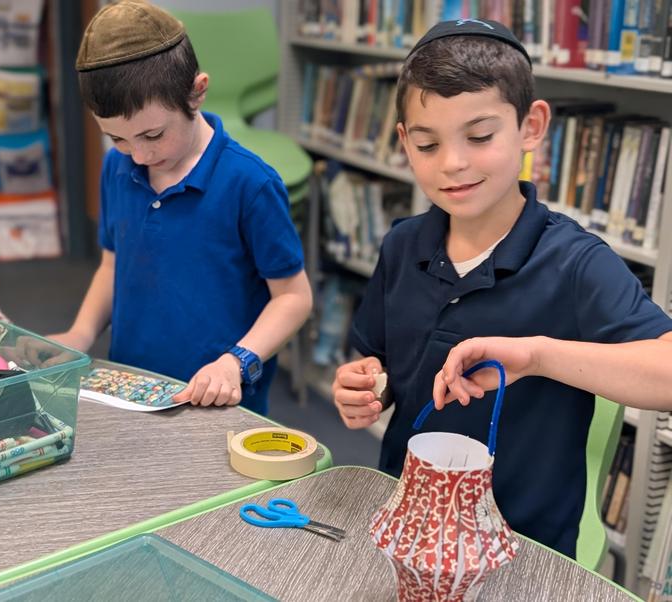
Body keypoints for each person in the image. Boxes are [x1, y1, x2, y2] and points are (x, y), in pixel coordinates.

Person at [332, 18, 672, 559]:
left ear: (531, 126)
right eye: (427, 143)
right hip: (410, 526)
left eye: (480, 136)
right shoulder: (403, 245)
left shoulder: (575, 263)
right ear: (404, 142)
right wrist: (368, 385)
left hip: (522, 547)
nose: (453, 163)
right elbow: (384, 363)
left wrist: (538, 356)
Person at [51, 0, 312, 416]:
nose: (138, 154)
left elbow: (294, 298)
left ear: (196, 91)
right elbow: (112, 264)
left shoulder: (251, 183)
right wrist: (81, 333)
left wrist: (236, 361)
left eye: (152, 134)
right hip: (132, 389)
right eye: (116, 138)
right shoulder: (117, 168)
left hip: (218, 401)